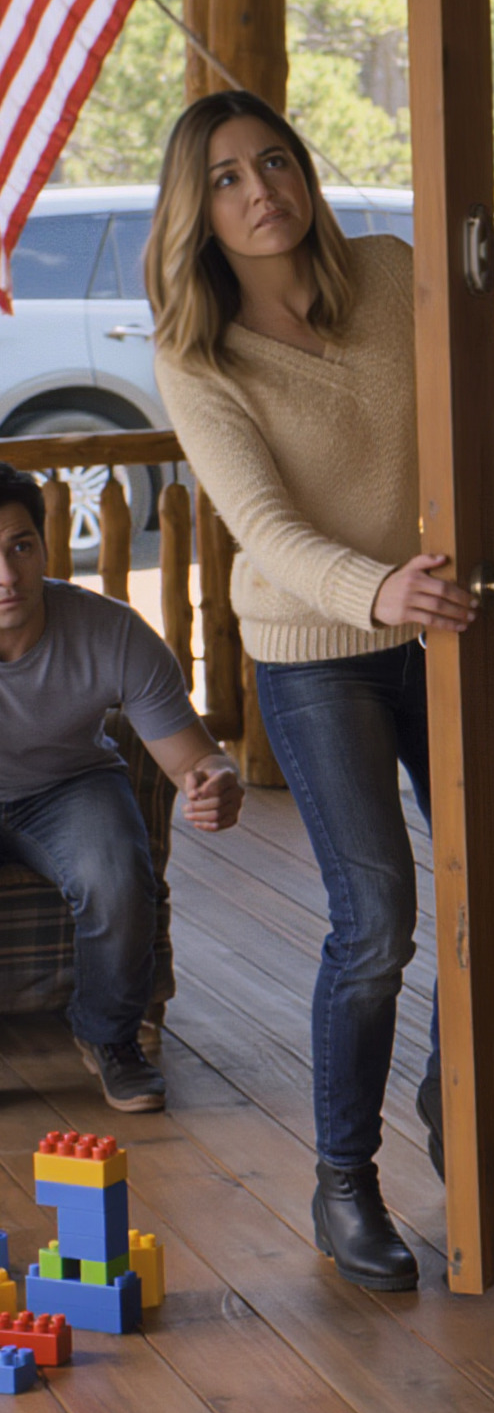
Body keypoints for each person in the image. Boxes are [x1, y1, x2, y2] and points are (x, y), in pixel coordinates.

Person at [147, 91, 494, 1293]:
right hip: (315, 647)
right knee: (379, 923)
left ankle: (455, 1094)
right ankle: (343, 1180)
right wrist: (375, 589)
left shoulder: (388, 271)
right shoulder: (200, 357)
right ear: (198, 210)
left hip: (433, 619)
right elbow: (262, 528)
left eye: (276, 162)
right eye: (231, 178)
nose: (263, 192)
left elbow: (469, 384)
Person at [0, 462, 243, 1112]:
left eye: (19, 546)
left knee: (117, 871)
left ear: (45, 547)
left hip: (68, 783)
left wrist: (218, 782)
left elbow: (198, 758)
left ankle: (108, 1036)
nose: (6, 575)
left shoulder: (110, 629)